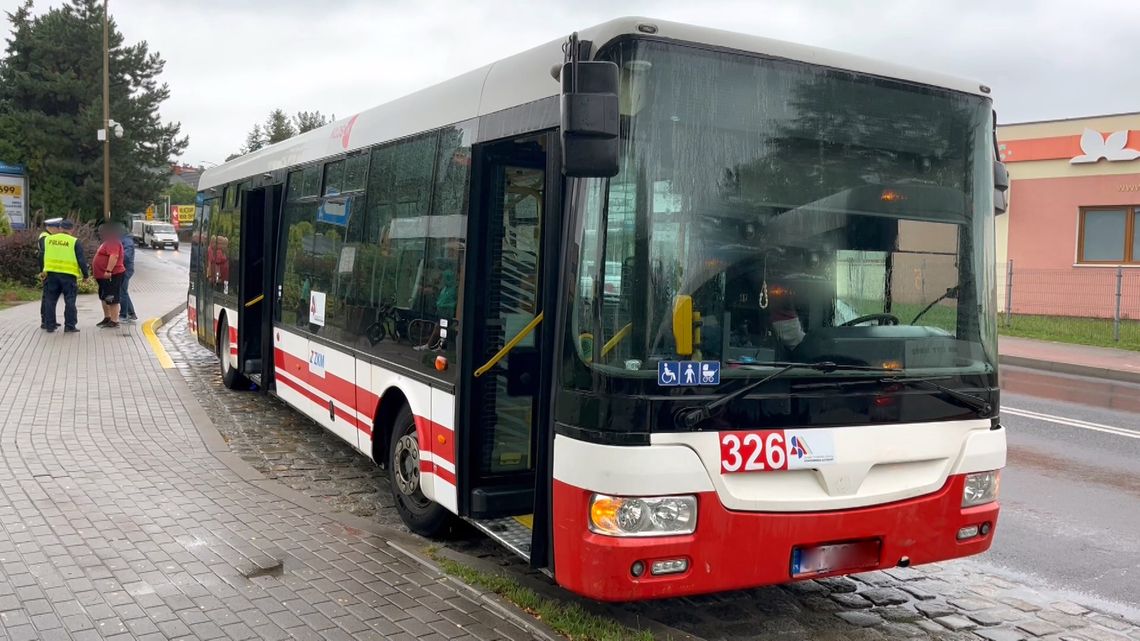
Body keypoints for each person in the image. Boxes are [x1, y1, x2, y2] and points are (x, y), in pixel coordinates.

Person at [41, 220, 88, 333]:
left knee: (50, 300)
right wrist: (86, 275)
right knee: (70, 301)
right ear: (71, 230)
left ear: (60, 228)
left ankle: (49, 325)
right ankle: (70, 326)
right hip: (68, 276)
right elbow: (81, 260)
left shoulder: (48, 239)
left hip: (51, 275)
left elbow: (42, 255)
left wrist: (43, 271)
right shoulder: (74, 241)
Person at [93, 222, 127, 328]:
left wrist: (108, 271)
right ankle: (107, 317)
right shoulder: (107, 242)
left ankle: (114, 320)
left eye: (102, 232)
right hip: (104, 276)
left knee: (112, 298)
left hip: (113, 275)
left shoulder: (113, 242)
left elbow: (114, 256)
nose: (100, 234)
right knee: (105, 297)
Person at [38, 217, 63, 330]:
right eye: (58, 227)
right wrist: (44, 271)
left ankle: (50, 320)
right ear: (51, 228)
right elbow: (44, 255)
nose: (59, 229)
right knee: (47, 297)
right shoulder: (45, 237)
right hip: (47, 271)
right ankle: (45, 321)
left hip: (50, 271)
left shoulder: (49, 237)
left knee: (50, 297)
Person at [117, 223, 138, 322]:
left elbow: (126, 256)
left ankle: (123, 315)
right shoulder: (124, 240)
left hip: (125, 269)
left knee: (122, 292)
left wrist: (116, 258)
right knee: (123, 291)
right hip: (124, 268)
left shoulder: (127, 241)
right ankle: (131, 313)